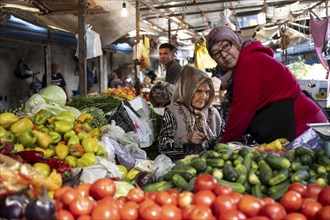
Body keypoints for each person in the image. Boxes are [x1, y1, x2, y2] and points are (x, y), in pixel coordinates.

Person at [206, 26, 329, 144]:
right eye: (216, 53)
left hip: (303, 126)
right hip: (299, 124)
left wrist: (223, 143)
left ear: (236, 42)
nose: (224, 54)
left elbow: (241, 112)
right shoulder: (246, 62)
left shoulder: (249, 62)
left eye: (226, 46)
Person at [157, 65, 225, 161]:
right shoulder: (173, 111)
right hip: (183, 171)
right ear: (187, 90)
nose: (204, 97)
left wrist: (214, 142)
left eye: (207, 92)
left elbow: (227, 141)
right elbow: (162, 148)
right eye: (199, 91)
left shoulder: (213, 113)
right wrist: (185, 139)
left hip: (211, 169)